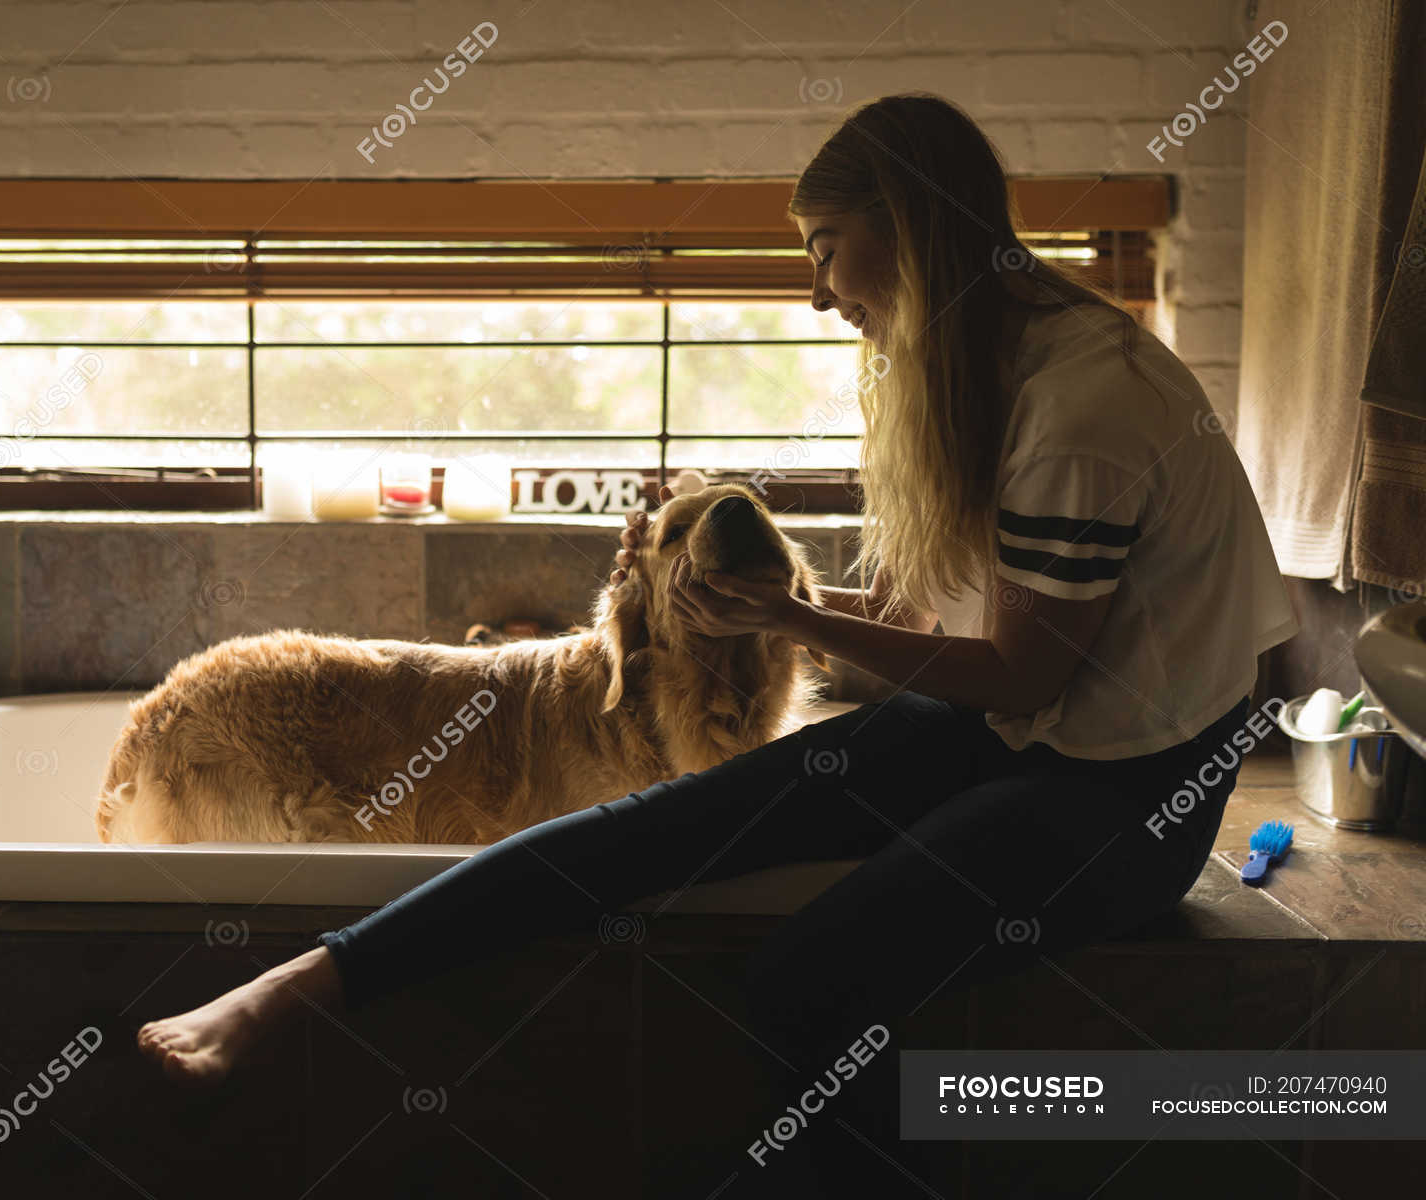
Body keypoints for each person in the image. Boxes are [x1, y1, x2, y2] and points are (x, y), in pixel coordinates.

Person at [136, 92, 1298, 1194]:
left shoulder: (1082, 410)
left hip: (1126, 796)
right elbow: (937, 631)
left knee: (810, 974)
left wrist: (789, 617)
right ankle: (301, 983)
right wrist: (750, 603)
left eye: (828, 245)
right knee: (659, 828)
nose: (815, 290)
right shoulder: (974, 369)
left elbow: (1028, 670)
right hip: (1021, 729)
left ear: (909, 232)